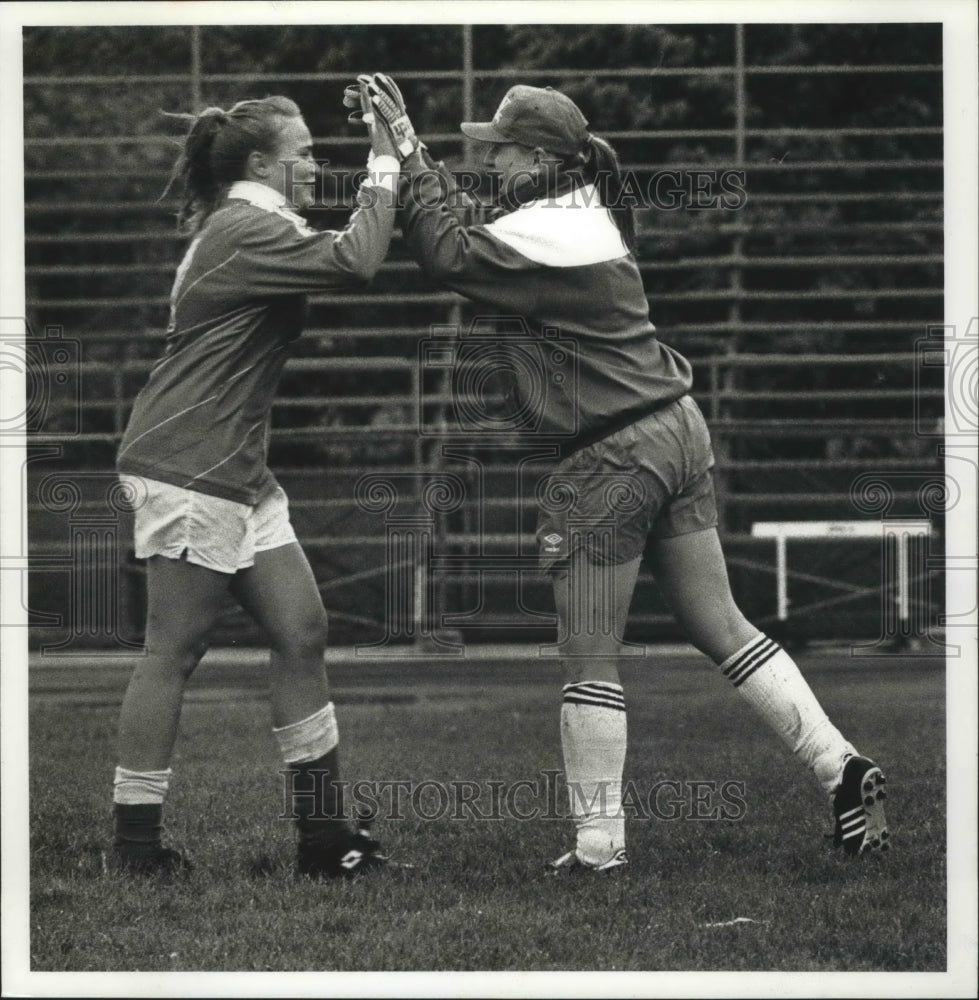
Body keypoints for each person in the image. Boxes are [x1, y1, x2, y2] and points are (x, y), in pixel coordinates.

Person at [365, 79, 889, 872]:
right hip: (675, 430)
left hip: (612, 452)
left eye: (498, 148)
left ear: (537, 156)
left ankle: (598, 847)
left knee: (587, 654)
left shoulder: (542, 224)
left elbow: (445, 253)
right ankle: (838, 765)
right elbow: (466, 232)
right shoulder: (576, 214)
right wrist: (411, 144)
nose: (490, 160)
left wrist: (403, 151)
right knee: (723, 626)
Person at [112, 95, 402, 878]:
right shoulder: (247, 228)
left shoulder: (250, 226)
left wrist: (396, 163)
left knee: (302, 630)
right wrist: (386, 158)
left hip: (235, 467)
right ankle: (134, 850)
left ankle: (322, 838)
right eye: (303, 152)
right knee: (173, 650)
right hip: (188, 462)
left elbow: (350, 245)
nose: (314, 163)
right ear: (261, 166)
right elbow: (357, 260)